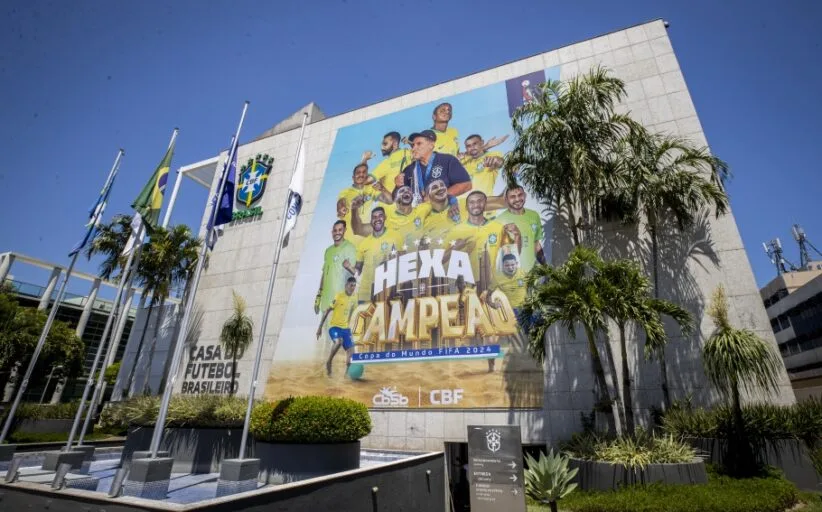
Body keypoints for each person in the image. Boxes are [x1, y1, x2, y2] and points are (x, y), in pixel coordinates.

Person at [397, 130, 471, 201]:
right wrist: (398, 186)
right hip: (418, 212)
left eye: (419, 144)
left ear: (431, 145)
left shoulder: (447, 160)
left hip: (443, 212)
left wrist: (436, 199)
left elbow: (466, 184)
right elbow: (396, 198)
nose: (413, 148)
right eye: (413, 145)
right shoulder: (409, 169)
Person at [351, 206, 404, 302]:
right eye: (374, 217)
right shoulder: (363, 244)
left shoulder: (396, 236)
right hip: (365, 294)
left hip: (388, 291)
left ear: (385, 217)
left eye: (380, 216)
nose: (377, 219)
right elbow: (357, 270)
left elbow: (403, 263)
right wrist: (349, 268)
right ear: (371, 221)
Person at [351, 185, 427, 250]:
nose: (406, 192)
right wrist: (354, 209)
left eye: (409, 190)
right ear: (395, 198)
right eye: (402, 191)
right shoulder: (386, 218)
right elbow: (358, 230)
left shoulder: (423, 209)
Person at [337, 163, 392, 246]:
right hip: (350, 238)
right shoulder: (345, 192)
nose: (361, 174)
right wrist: (341, 208)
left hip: (365, 238)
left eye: (364, 172)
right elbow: (341, 202)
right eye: (358, 173)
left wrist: (383, 189)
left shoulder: (370, 189)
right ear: (353, 177)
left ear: (367, 176)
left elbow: (390, 201)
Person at [495, 185, 546, 273]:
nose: (517, 199)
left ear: (525, 195)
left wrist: (545, 266)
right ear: (506, 199)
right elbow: (498, 253)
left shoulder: (534, 215)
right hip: (512, 276)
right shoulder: (500, 221)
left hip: (532, 275)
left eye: (520, 195)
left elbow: (536, 243)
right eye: (513, 197)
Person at [317, 277, 358, 377]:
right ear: (346, 285)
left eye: (354, 285)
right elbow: (327, 310)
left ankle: (346, 375)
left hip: (345, 329)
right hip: (334, 327)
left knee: (352, 351)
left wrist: (350, 324)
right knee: (339, 341)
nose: (352, 287)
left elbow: (353, 310)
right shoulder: (339, 296)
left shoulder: (354, 297)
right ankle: (329, 362)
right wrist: (320, 327)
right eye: (351, 285)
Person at [314, 220, 357, 316]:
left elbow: (356, 275)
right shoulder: (328, 251)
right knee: (325, 331)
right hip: (326, 303)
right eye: (335, 230)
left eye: (340, 230)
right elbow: (325, 273)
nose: (337, 233)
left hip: (341, 304)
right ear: (332, 232)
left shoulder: (350, 248)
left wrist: (349, 266)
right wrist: (318, 296)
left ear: (345, 230)